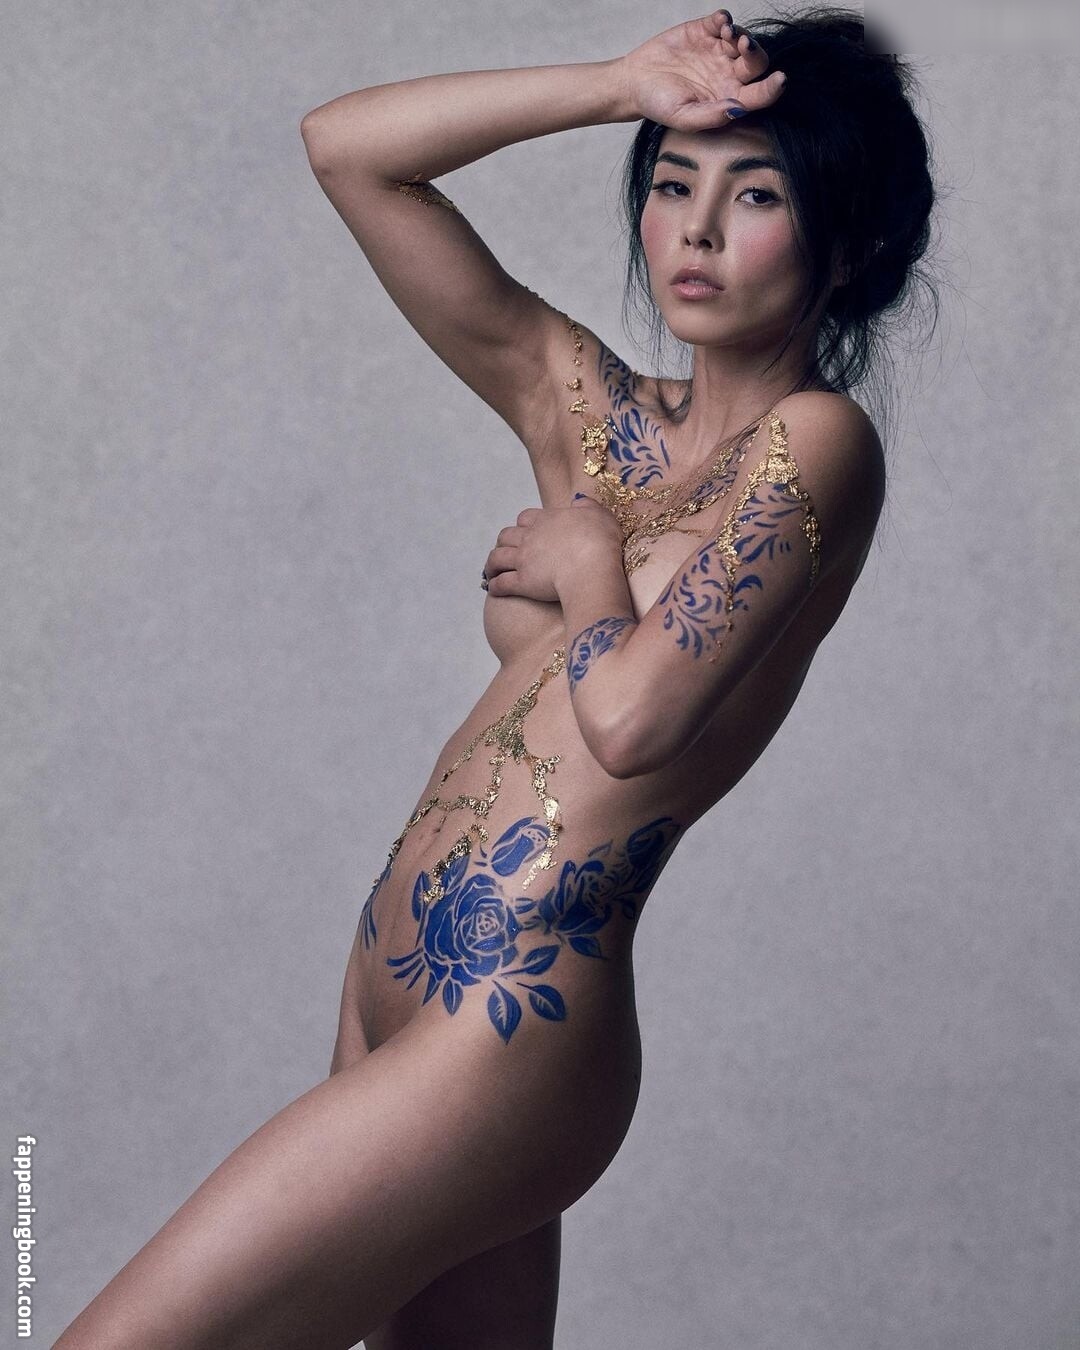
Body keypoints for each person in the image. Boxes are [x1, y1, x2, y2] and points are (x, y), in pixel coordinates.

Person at [54, 8, 936, 1348]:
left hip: (512, 1017)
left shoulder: (818, 444)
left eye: (755, 196)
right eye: (672, 184)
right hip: (394, 983)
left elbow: (631, 719)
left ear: (849, 240)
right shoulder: (595, 413)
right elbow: (349, 151)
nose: (695, 232)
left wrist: (587, 565)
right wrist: (621, 85)